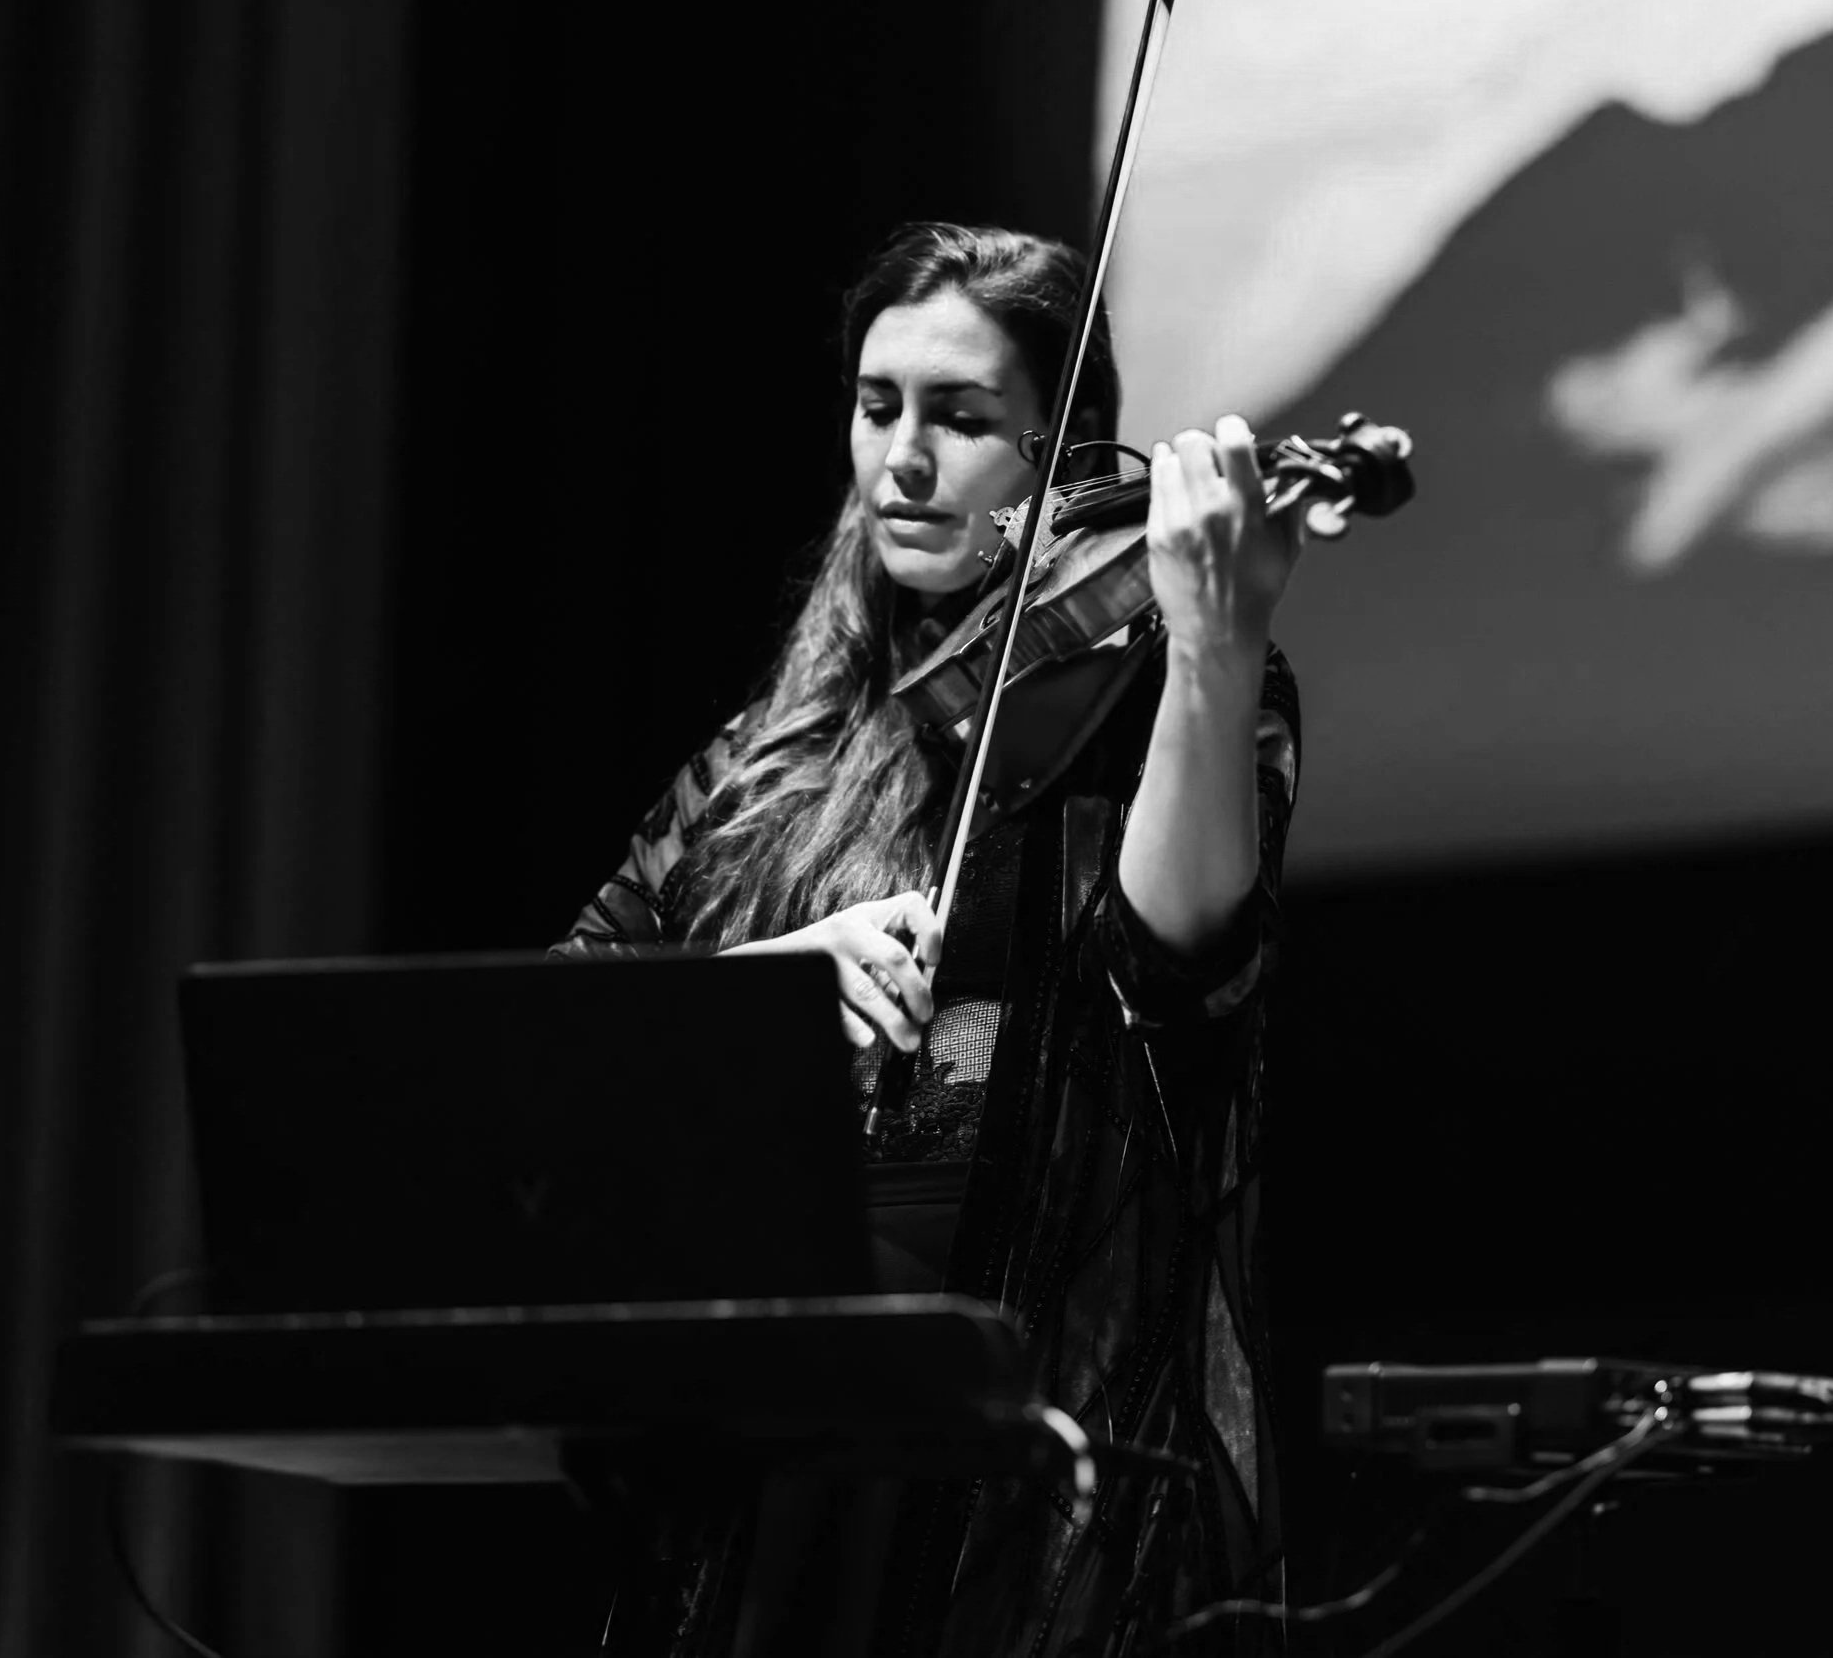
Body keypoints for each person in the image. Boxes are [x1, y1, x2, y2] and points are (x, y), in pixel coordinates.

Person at [557, 221, 1301, 1655]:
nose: (902, 459)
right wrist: (759, 994)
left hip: (1031, 1413)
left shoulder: (1157, 685)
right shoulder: (767, 756)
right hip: (766, 1430)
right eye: (876, 404)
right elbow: (557, 1034)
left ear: (1064, 449)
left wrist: (1214, 645)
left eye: (961, 420)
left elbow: (1179, 953)